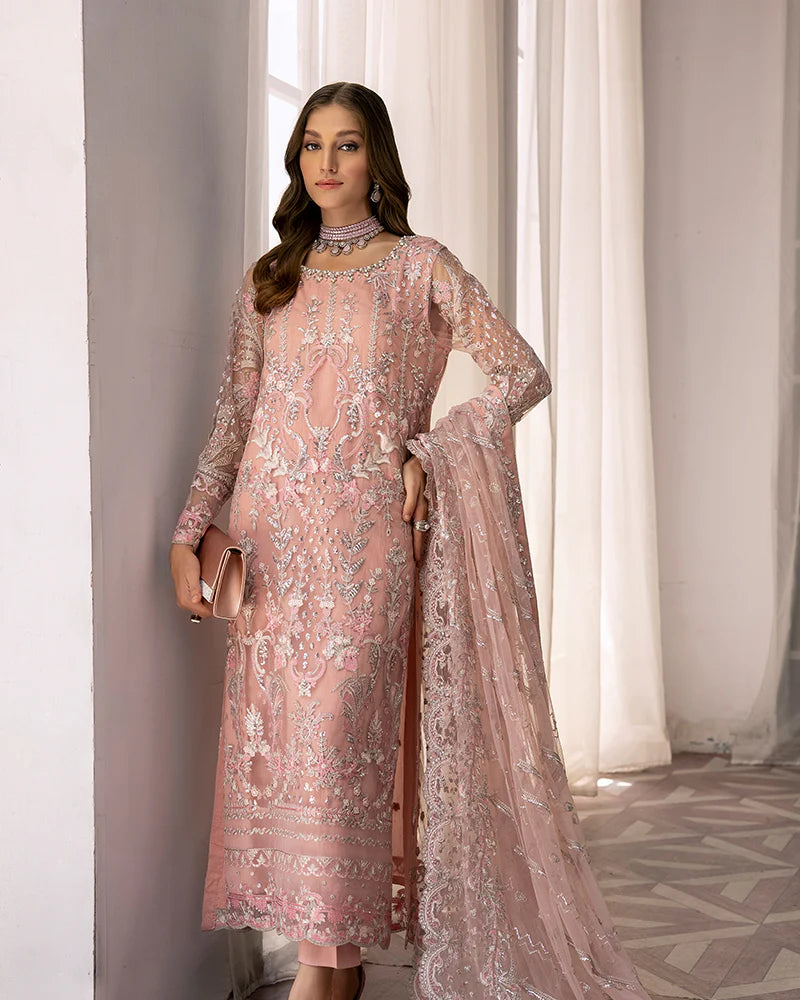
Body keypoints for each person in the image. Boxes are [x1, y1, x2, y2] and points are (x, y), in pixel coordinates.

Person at [170, 82, 650, 1000]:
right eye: (312, 143)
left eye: (347, 144)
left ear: (376, 159)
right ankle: (328, 967)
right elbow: (236, 417)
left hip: (363, 553)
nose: (326, 162)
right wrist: (190, 532)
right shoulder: (271, 278)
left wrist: (430, 452)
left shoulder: (420, 267)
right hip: (271, 555)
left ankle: (326, 973)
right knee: (288, 757)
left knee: (340, 746)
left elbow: (520, 372)